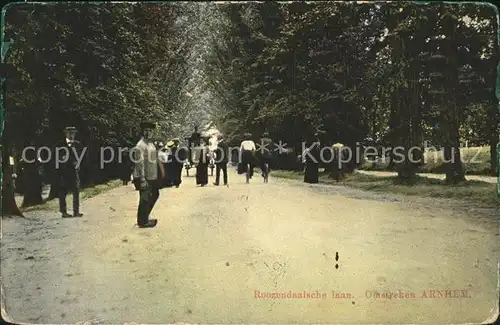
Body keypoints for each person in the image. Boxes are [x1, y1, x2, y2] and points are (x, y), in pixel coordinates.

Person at [132, 121, 162, 228]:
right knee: (145, 198)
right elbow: (139, 164)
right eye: (146, 131)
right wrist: (142, 179)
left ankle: (144, 217)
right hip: (144, 176)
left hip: (152, 175)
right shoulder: (140, 145)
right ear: (143, 132)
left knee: (154, 194)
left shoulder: (150, 143)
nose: (149, 133)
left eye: (150, 131)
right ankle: (142, 221)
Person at [56, 126, 83, 218]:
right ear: (66, 134)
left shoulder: (78, 144)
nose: (71, 135)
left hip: (74, 171)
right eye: (69, 133)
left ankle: (76, 211)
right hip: (63, 172)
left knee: (76, 191)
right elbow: (55, 156)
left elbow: (81, 156)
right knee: (63, 192)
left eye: (73, 133)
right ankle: (64, 212)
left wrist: (78, 164)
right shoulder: (60, 144)